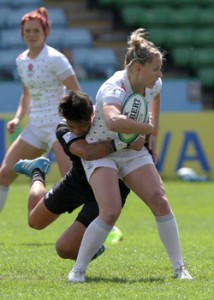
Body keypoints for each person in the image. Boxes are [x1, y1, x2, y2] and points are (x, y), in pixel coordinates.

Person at [68, 28, 193, 282]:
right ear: (137, 68)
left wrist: (153, 136)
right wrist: (147, 128)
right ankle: (77, 270)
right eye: (156, 69)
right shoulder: (113, 88)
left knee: (160, 201)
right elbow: (113, 122)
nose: (160, 74)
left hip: (132, 149)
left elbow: (157, 95)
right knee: (111, 210)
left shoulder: (152, 82)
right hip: (102, 151)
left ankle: (180, 269)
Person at [13, 90, 144, 261]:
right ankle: (37, 171)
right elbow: (86, 152)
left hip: (108, 190)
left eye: (80, 127)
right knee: (34, 222)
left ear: (92, 115)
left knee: (64, 249)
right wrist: (124, 143)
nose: (75, 131)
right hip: (77, 181)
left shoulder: (110, 122)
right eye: (71, 126)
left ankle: (91, 246)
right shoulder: (62, 129)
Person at [0, 7, 80, 211]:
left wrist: (76, 124)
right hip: (35, 126)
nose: (32, 35)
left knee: (73, 178)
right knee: (4, 173)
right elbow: (26, 95)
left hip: (58, 126)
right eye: (28, 31)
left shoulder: (56, 58)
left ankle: (97, 228)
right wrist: (18, 119)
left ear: (45, 32)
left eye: (36, 30)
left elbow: (76, 93)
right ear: (22, 34)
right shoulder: (21, 60)